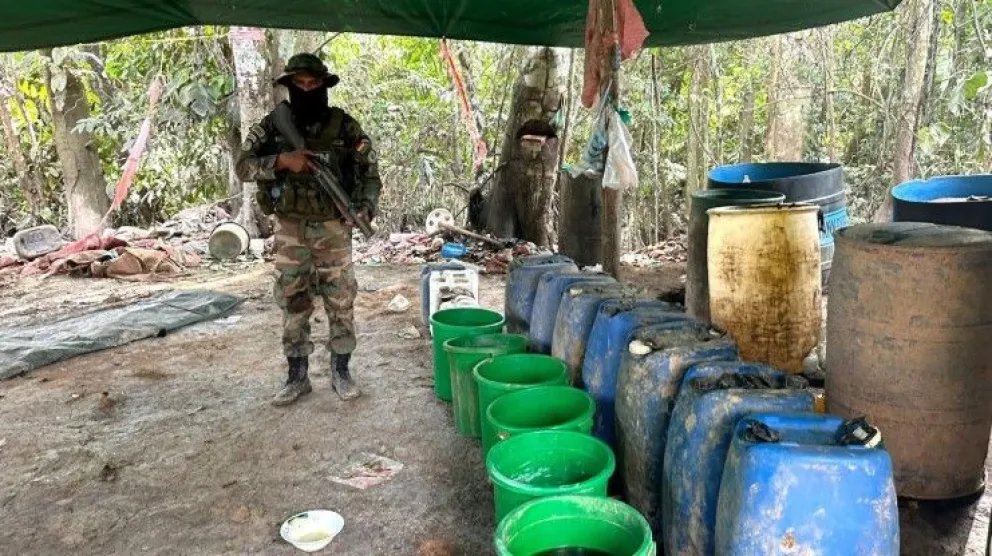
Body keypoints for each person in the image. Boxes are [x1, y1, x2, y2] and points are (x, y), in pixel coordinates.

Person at [235, 52, 381, 406]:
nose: (306, 89)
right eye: (298, 84)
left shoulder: (344, 126)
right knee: (293, 297)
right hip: (289, 227)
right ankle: (296, 375)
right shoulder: (273, 125)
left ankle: (341, 370)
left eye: (313, 84)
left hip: (333, 226)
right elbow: (243, 166)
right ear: (289, 86)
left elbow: (369, 174)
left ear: (323, 86)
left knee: (340, 296)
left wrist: (362, 206)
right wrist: (283, 161)